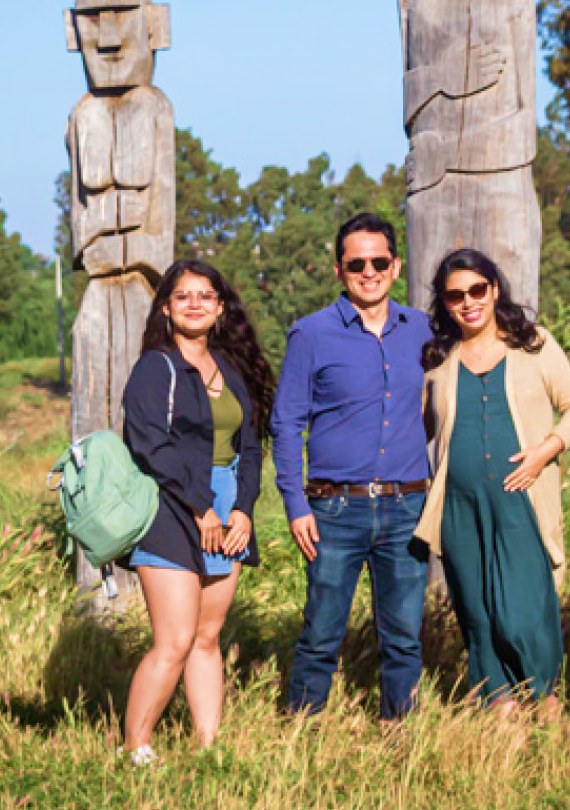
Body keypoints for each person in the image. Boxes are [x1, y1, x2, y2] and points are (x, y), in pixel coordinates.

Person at [272, 212, 435, 721]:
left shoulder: (424, 330)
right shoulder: (311, 334)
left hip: (408, 506)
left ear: (396, 265)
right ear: (339, 270)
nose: (369, 271)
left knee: (405, 637)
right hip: (332, 511)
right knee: (321, 633)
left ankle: (398, 737)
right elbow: (284, 424)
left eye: (379, 261)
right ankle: (302, 732)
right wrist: (296, 505)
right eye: (356, 263)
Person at [413, 248, 570, 709]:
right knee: (477, 614)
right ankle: (501, 713)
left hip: (521, 500)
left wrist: (544, 453)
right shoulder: (438, 360)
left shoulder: (533, 344)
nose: (468, 302)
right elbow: (421, 432)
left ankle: (547, 705)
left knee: (523, 614)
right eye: (456, 296)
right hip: (459, 506)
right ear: (444, 302)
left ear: (494, 289)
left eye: (477, 289)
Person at [119, 260, 277, 763]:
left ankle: (210, 749)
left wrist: (243, 510)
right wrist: (201, 507)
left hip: (227, 505)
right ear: (166, 308)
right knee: (175, 640)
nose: (194, 304)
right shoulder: (155, 368)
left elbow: (250, 447)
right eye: (183, 296)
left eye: (205, 296)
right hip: (172, 506)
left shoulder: (230, 369)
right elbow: (150, 446)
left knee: (208, 638)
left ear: (220, 308)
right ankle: (135, 748)